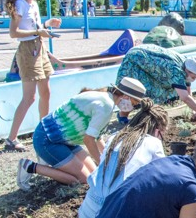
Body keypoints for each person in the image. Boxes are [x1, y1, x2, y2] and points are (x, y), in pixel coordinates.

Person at [78, 98, 170, 218]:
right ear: (158, 129)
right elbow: (166, 178)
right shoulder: (153, 143)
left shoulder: (115, 137)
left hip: (87, 213)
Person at [15, 77, 146, 191]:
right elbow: (89, 140)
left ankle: (56, 161)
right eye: (134, 103)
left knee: (93, 174)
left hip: (65, 140)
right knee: (84, 180)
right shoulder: (105, 105)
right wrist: (103, 164)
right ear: (126, 97)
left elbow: (97, 136)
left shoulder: (106, 98)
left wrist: (108, 157)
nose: (131, 107)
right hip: (47, 140)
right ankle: (30, 166)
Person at [3, 0, 62, 151]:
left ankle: (43, 132)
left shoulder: (33, 4)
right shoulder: (20, 5)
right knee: (29, 97)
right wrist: (38, 32)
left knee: (46, 92)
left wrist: (46, 25)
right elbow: (14, 33)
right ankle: (11, 139)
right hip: (28, 51)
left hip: (39, 48)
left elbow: (35, 27)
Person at [115, 44, 196, 124]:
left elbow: (187, 90)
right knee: (134, 90)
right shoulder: (175, 71)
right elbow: (185, 97)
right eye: (193, 77)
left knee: (153, 89)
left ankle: (146, 115)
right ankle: (122, 115)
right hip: (135, 60)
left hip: (145, 63)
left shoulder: (186, 64)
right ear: (187, 71)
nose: (193, 80)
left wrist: (194, 111)